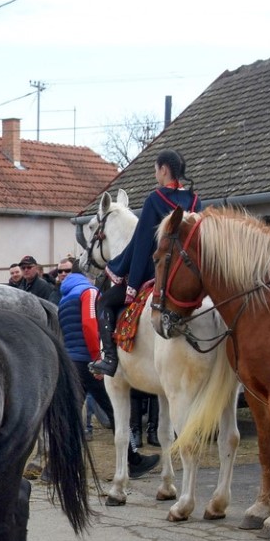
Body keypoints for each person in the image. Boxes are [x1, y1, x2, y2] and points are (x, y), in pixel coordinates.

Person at [89, 149, 202, 376]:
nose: (155, 175)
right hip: (188, 274)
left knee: (104, 302)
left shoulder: (155, 199)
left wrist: (128, 277)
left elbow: (141, 244)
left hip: (157, 271)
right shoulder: (195, 201)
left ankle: (109, 359)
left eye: (156, 170)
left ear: (164, 170)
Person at [53, 262, 159, 477]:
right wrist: (98, 358)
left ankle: (55, 467)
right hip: (88, 360)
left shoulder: (65, 298)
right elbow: (90, 325)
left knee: (71, 415)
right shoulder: (89, 292)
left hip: (72, 361)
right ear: (88, 276)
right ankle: (133, 460)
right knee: (115, 411)